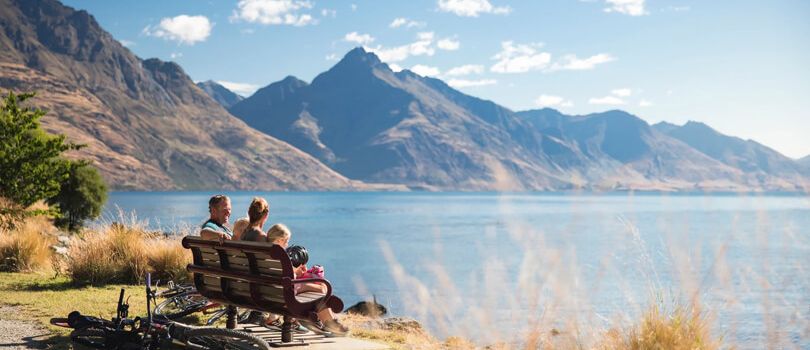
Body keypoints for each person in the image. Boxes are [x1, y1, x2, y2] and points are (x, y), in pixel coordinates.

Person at [286, 245, 349, 336]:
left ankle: (318, 320)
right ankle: (329, 323)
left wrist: (299, 273)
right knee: (320, 294)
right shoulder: (293, 278)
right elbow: (322, 290)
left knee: (315, 291)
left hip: (273, 299)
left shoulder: (278, 267)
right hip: (291, 302)